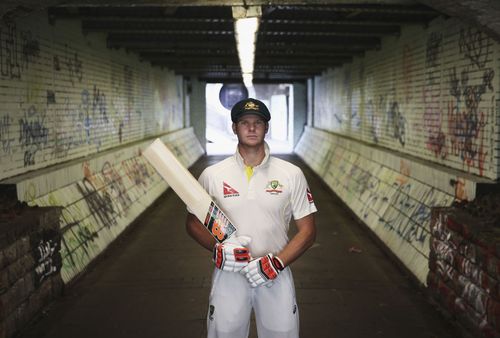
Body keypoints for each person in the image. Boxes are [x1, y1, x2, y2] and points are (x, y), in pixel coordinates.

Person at [185, 98, 317, 338]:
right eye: (244, 122)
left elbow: (308, 231)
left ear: (267, 127)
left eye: (258, 122)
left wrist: (277, 263)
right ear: (234, 127)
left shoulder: (291, 174)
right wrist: (216, 248)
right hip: (229, 273)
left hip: (275, 273)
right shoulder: (213, 175)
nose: (252, 128)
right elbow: (193, 222)